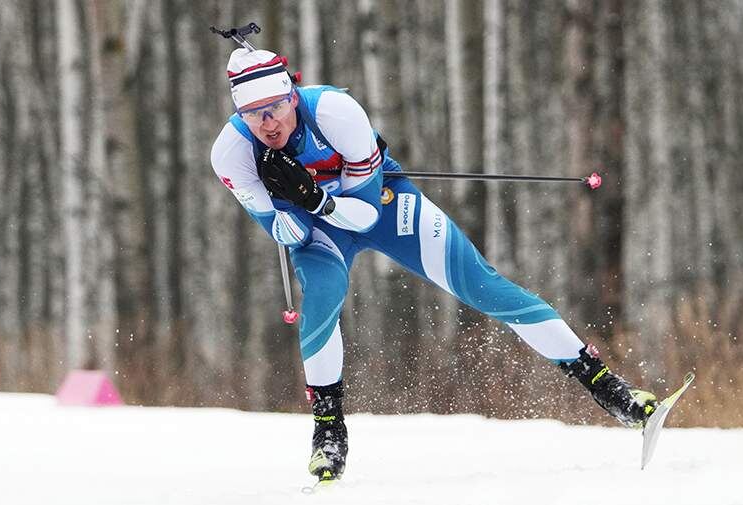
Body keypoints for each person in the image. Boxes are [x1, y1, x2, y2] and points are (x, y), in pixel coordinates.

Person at [210, 48, 658, 482]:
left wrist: (315, 197)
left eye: (274, 107)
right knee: (322, 297)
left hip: (382, 204)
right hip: (318, 228)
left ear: (292, 95)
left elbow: (365, 216)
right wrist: (290, 207)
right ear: (240, 116)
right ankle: (329, 430)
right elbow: (290, 237)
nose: (268, 124)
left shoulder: (335, 112)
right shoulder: (232, 153)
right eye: (254, 114)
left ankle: (607, 387)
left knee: (481, 286)